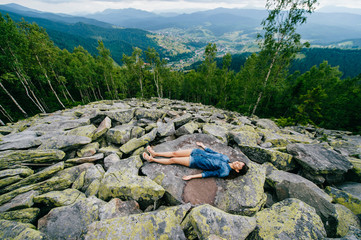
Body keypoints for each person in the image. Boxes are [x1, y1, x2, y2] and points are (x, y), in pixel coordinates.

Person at [142, 142, 249, 181]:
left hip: (195, 161)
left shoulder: (225, 172)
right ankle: (155, 153)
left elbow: (208, 174)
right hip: (197, 152)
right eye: (239, 162)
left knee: (173, 160)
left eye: (239, 165)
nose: (237, 163)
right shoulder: (226, 158)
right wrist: (203, 146)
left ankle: (152, 159)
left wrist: (191, 177)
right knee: (174, 153)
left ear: (238, 170)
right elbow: (213, 152)